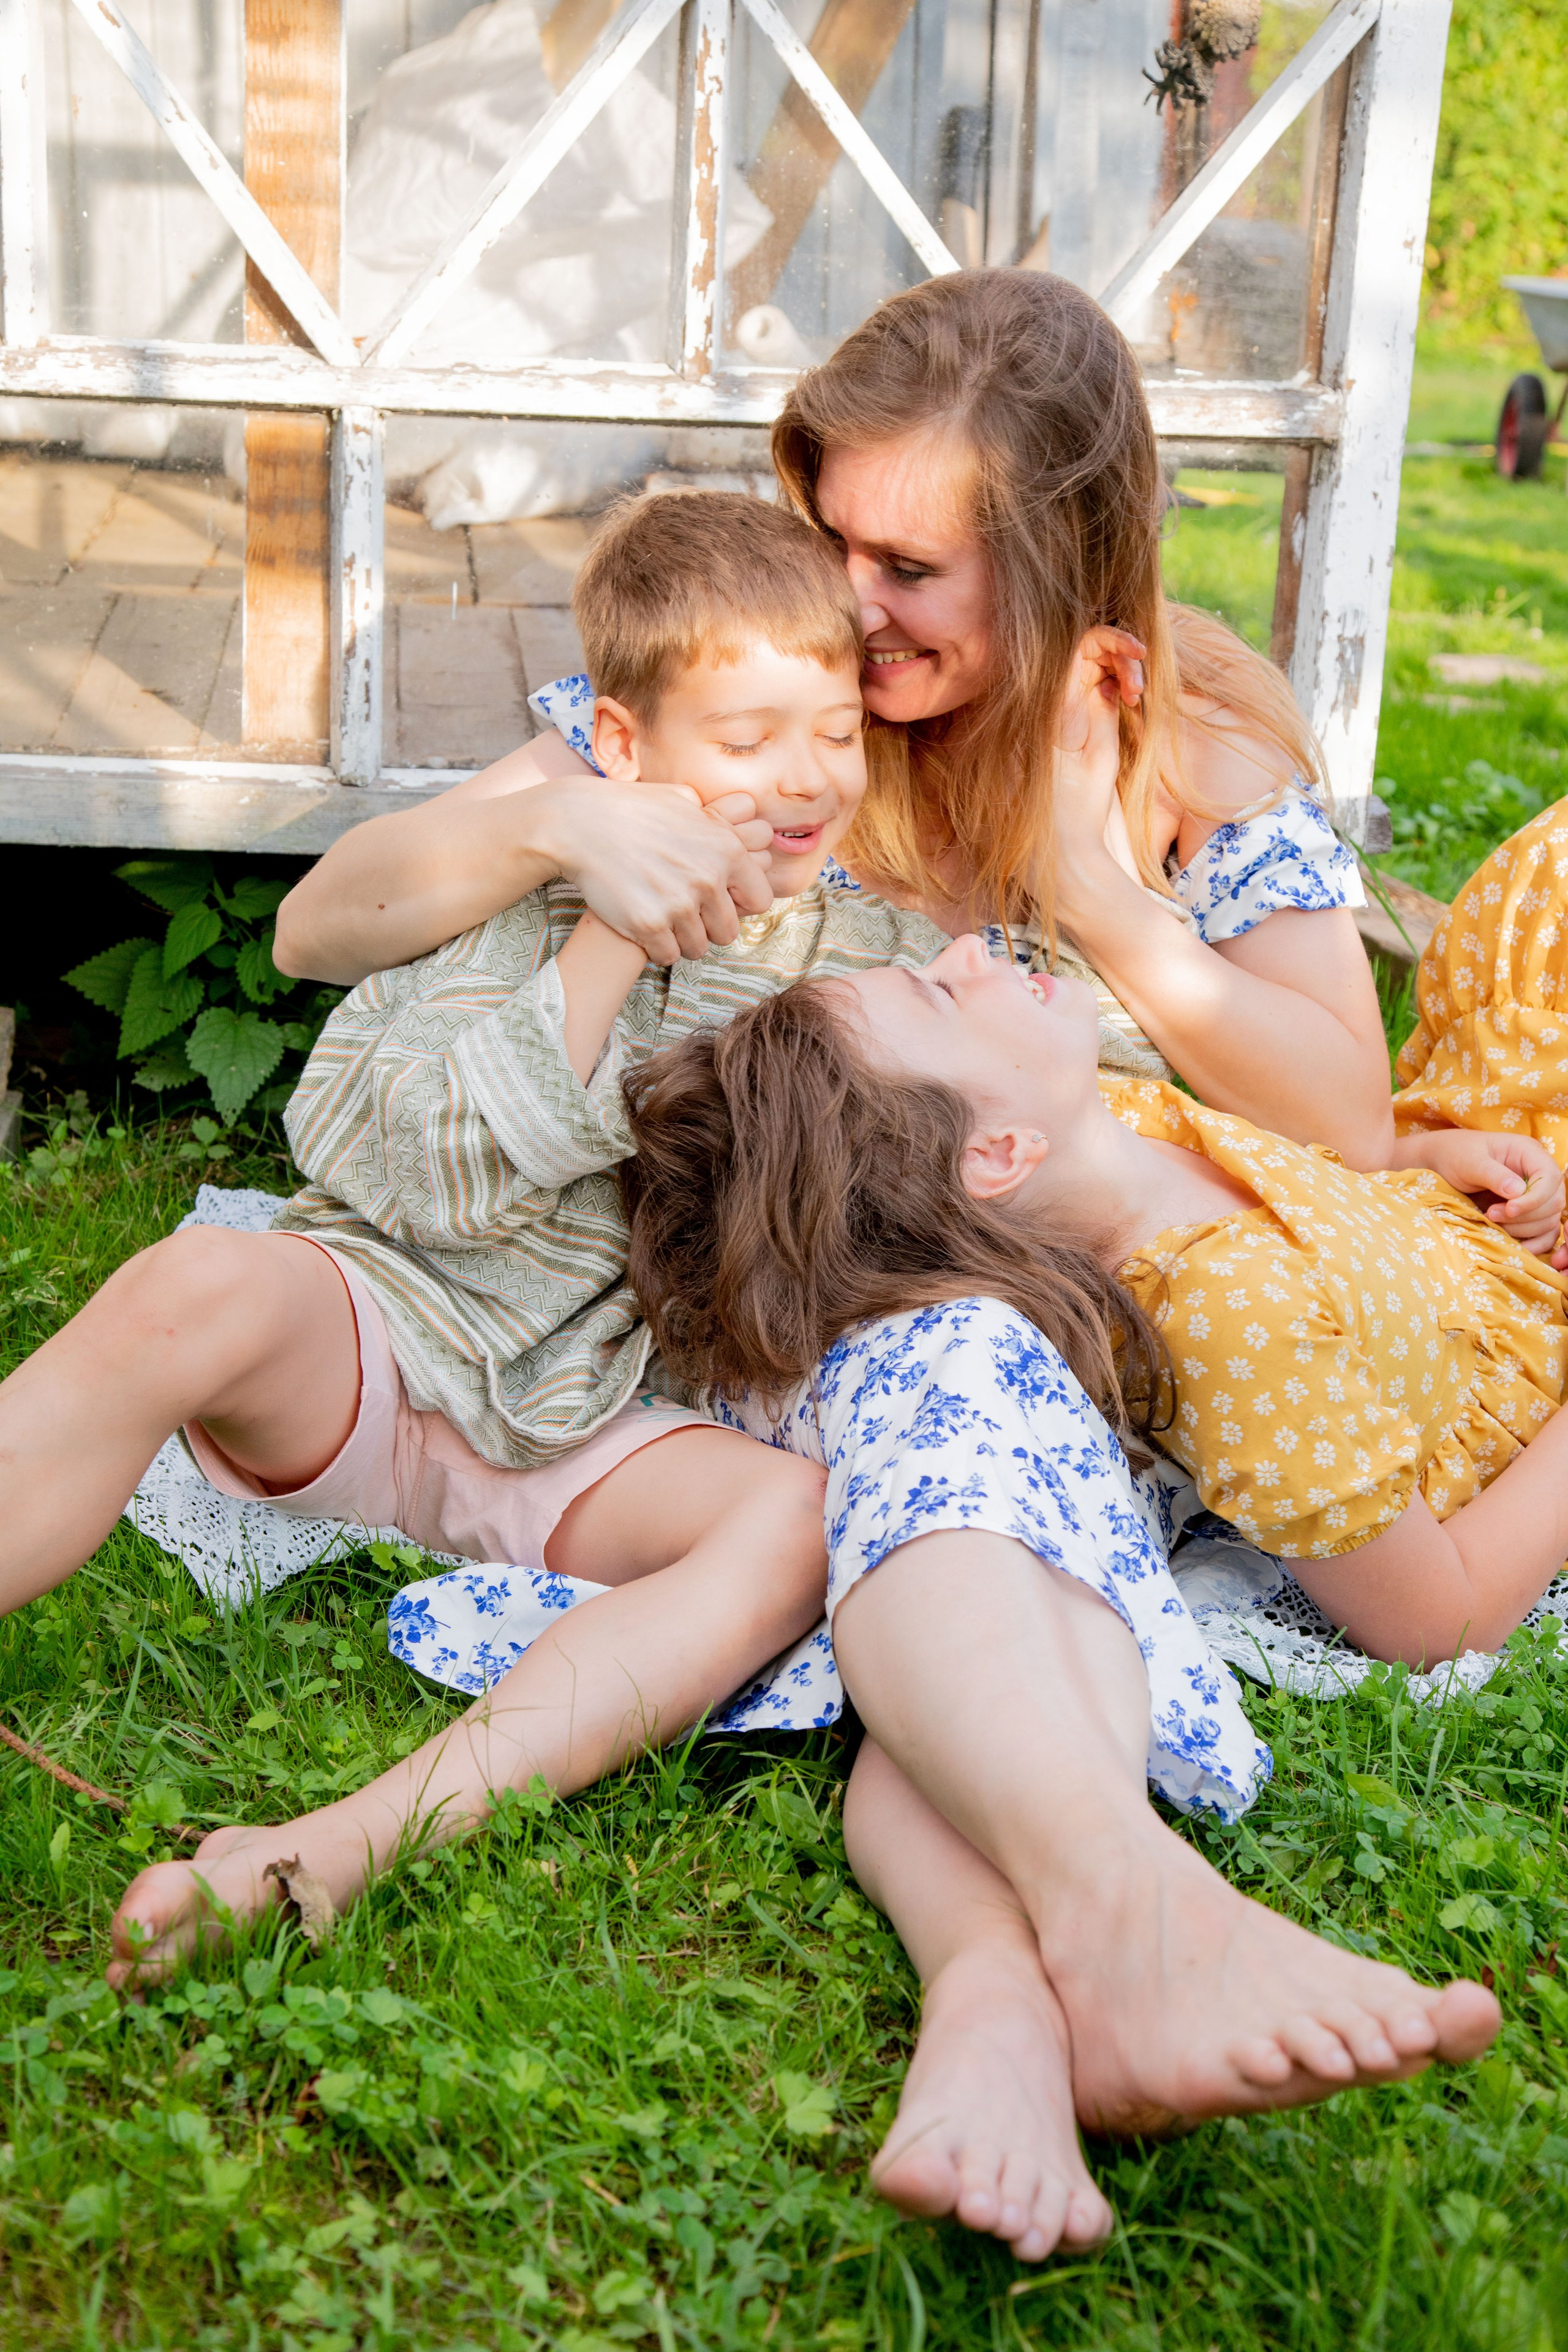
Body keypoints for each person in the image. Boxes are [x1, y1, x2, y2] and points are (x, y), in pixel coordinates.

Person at [0, 491, 951, 1981]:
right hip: (374, 1345)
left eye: (832, 730)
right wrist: (604, 940)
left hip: (592, 1431)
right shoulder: (511, 898)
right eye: (746, 741)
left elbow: (1073, 1056)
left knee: (785, 1522)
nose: (801, 779)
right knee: (192, 1286)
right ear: (621, 752)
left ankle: (342, 1846)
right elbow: (401, 1170)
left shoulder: (865, 952)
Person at [617, 939, 1507, 2260]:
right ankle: (1130, 1918)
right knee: (951, 1503)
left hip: (954, 1536)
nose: (968, 949)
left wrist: (1399, 1175)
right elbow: (1429, 1613)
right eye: (934, 989)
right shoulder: (1137, 1292)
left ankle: (1006, 1996)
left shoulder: (1111, 1140)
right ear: (991, 1162)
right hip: (943, 1486)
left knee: (942, 1568)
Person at [268, 269, 1395, 1169]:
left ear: (1061, 572)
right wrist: (554, 829)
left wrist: (1086, 885)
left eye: (909, 566)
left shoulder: (1182, 752)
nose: (851, 607)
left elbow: (1350, 1124)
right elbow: (314, 931)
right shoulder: (770, 698)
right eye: (831, 537)